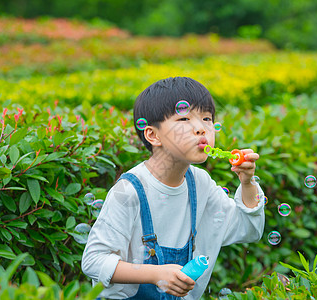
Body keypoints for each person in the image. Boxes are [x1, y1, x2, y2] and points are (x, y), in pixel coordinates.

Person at [82, 77, 265, 299]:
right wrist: (154, 274)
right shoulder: (129, 192)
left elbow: (248, 229)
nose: (201, 129)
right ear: (153, 135)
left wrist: (247, 182)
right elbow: (93, 261)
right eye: (184, 119)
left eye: (207, 118)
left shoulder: (200, 184)